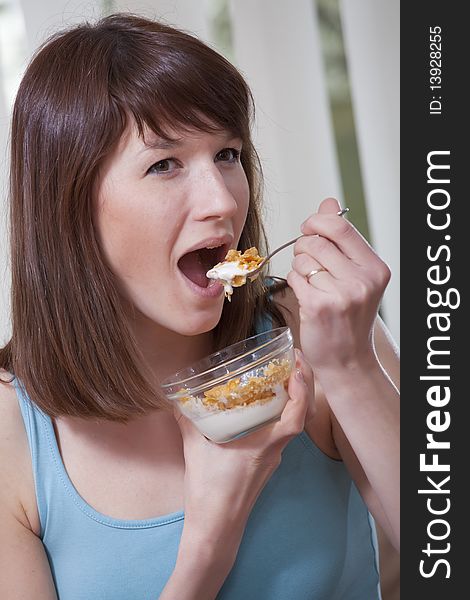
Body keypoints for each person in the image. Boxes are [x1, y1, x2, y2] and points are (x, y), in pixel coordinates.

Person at [0, 13, 399, 599]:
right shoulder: (11, 431)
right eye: (164, 165)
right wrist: (209, 542)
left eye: (228, 154)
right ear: (70, 208)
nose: (221, 201)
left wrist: (352, 365)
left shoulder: (311, 330)